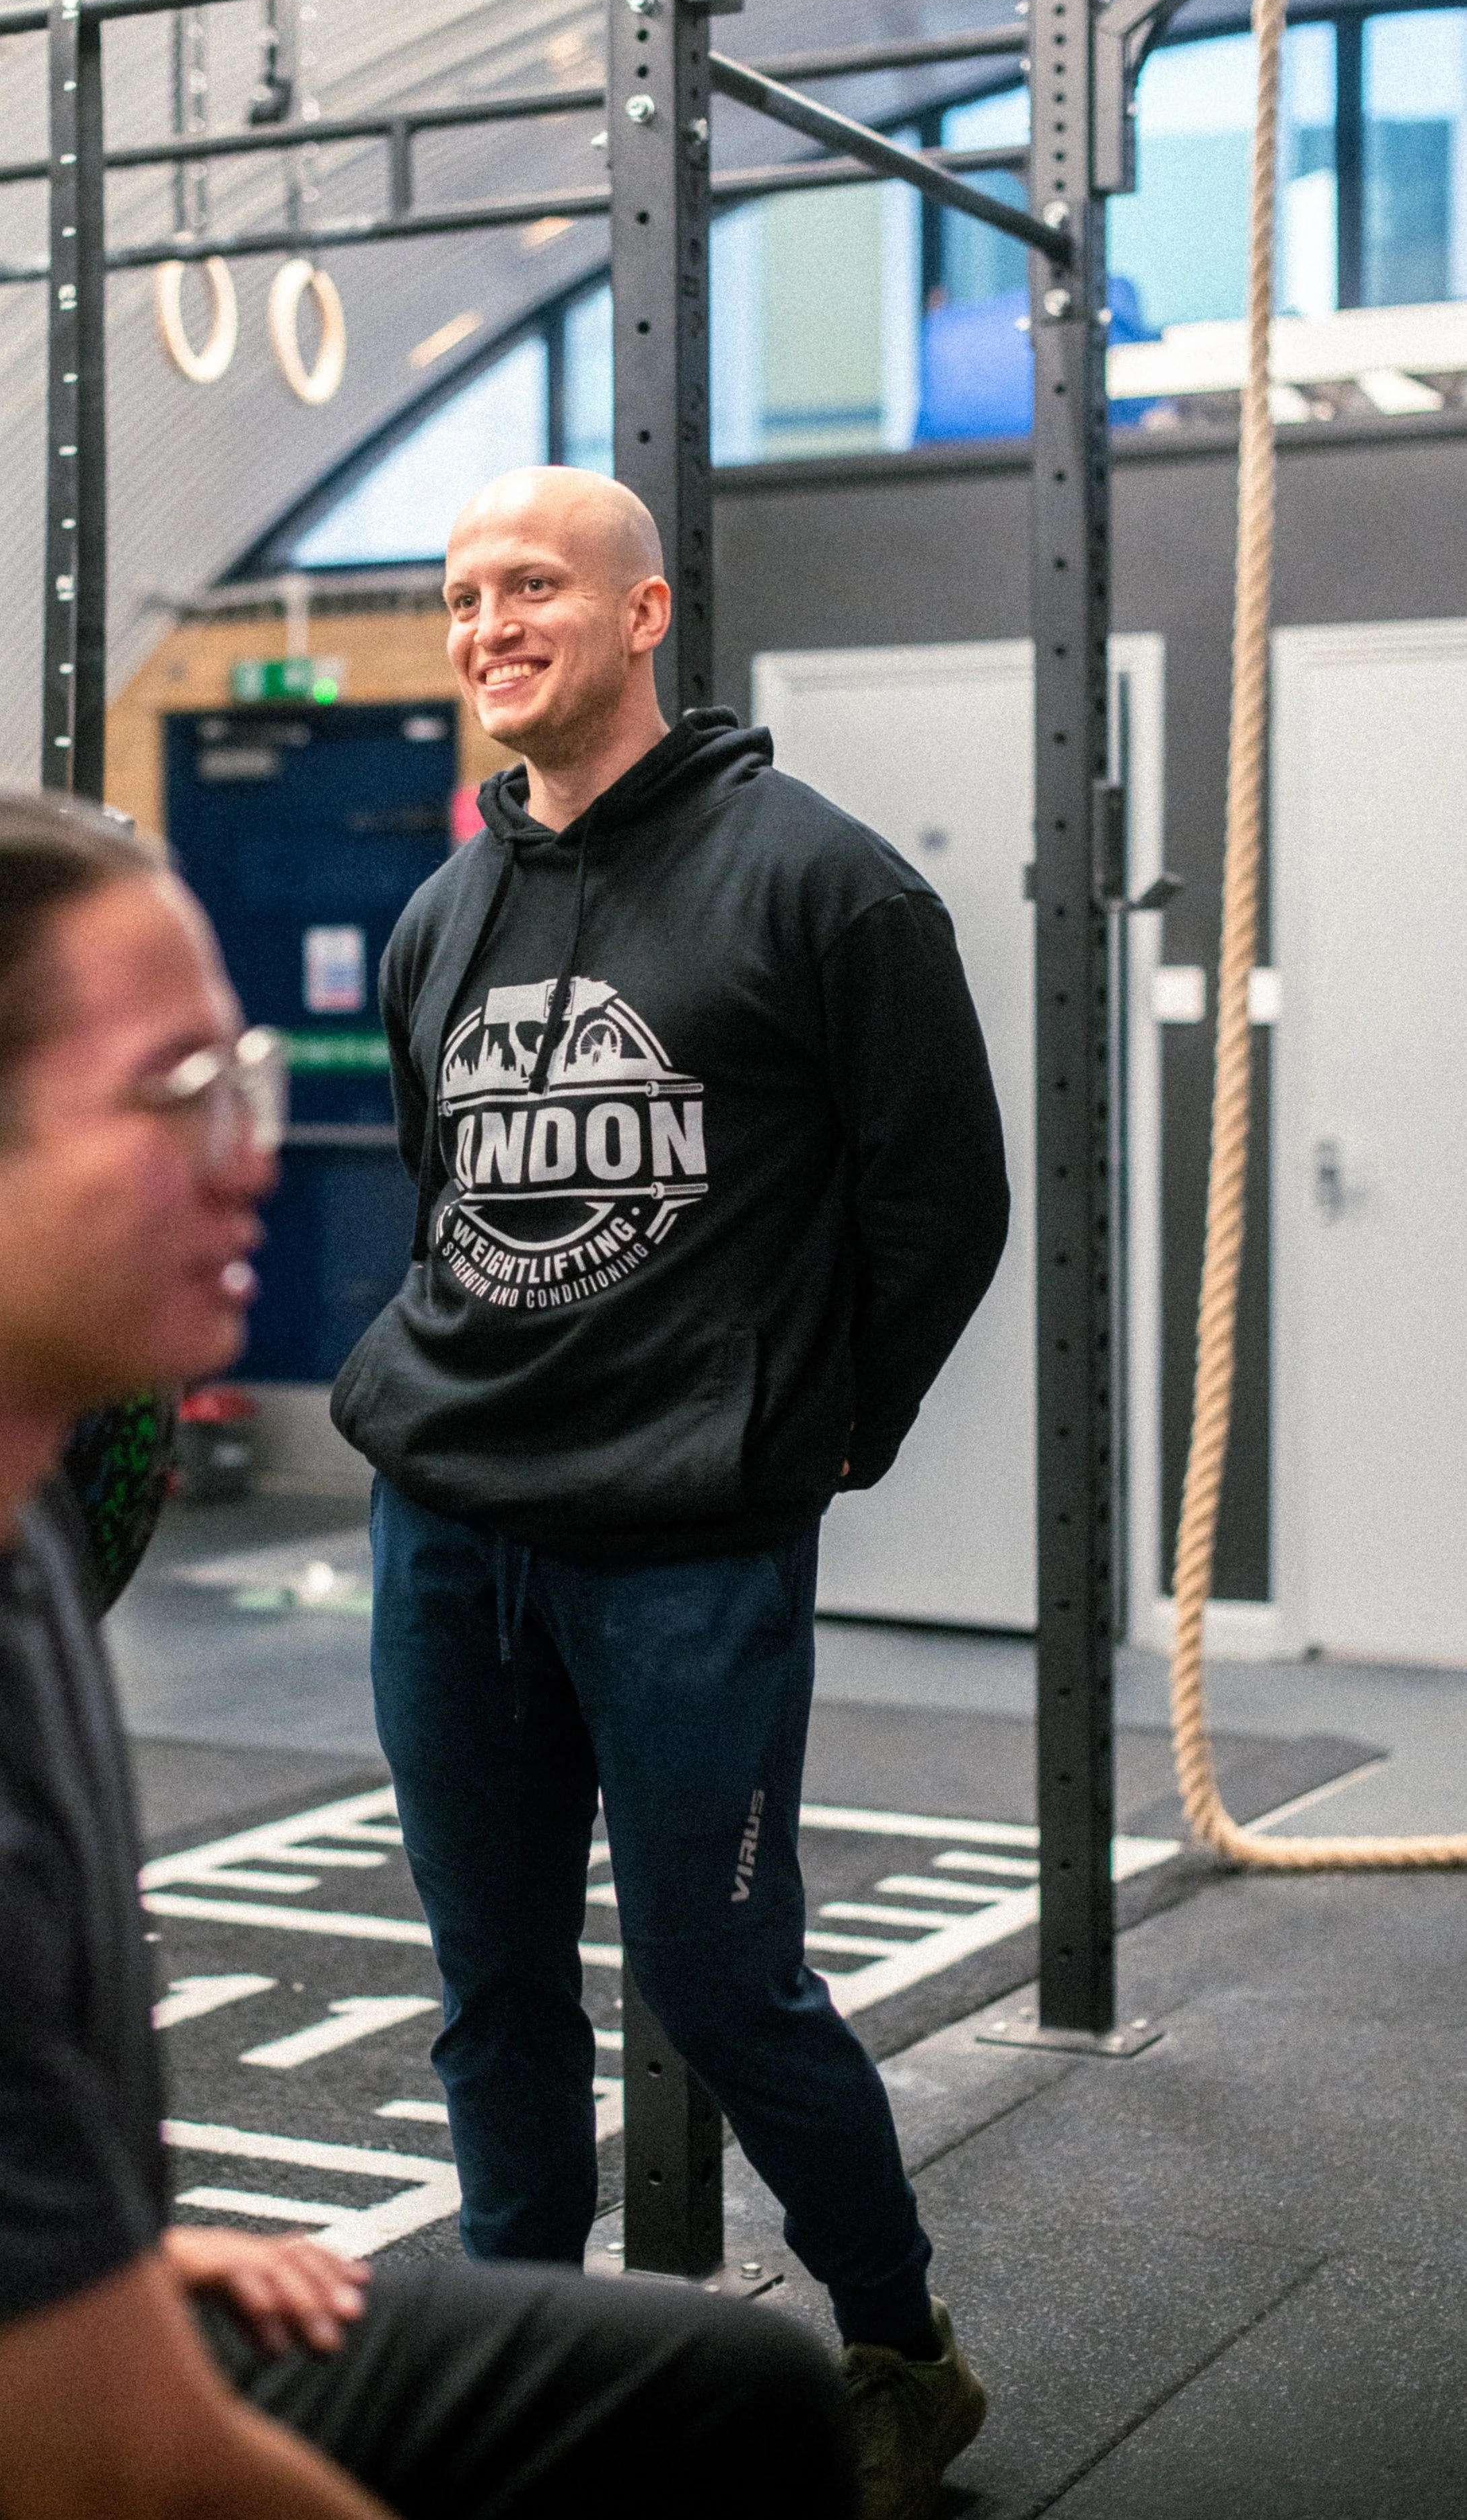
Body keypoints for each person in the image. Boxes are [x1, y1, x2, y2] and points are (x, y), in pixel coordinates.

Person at [0, 785, 858, 2520]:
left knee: (726, 2392)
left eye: (249, 1077)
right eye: (177, 1099)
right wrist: (68, 2315)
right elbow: (138, 2487)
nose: (256, 1153)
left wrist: (108, 2256)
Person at [332, 466, 1011, 2520]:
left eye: (528, 585)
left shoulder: (826, 884)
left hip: (687, 1544)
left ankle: (895, 2344)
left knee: (724, 1981)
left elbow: (944, 1206)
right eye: (459, 598)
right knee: (493, 1981)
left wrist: (815, 1435)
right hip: (447, 1523)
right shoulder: (442, 915)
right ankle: (520, 2377)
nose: (485, 625)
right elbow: (451, 1211)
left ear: (640, 614)